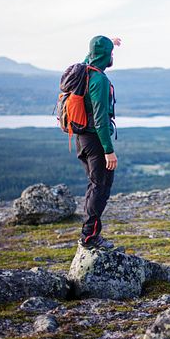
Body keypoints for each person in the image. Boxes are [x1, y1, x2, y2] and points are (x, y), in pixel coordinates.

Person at [76, 35, 121, 249]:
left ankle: (89, 233)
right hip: (95, 139)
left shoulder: (84, 70)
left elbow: (91, 56)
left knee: (95, 184)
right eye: (110, 53)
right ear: (105, 56)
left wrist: (107, 42)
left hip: (82, 138)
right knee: (101, 186)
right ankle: (89, 237)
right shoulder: (99, 80)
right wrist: (108, 150)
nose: (112, 57)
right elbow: (101, 119)